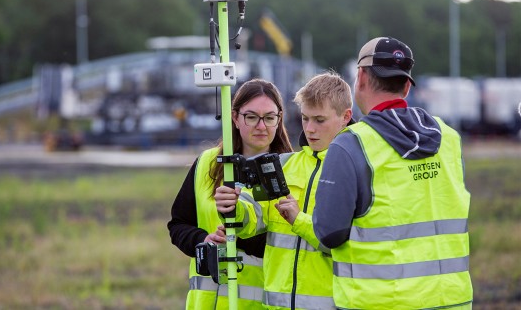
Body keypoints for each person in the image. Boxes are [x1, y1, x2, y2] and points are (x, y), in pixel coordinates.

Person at [312, 37, 473, 309]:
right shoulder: (449, 139)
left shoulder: (351, 144)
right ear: (407, 86)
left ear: (360, 78)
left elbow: (329, 233)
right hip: (452, 301)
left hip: (381, 303)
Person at [215, 71, 354, 309]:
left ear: (346, 117)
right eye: (304, 118)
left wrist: (298, 220)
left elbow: (347, 244)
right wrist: (234, 208)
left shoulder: (356, 169)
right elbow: (253, 216)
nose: (309, 129)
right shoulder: (284, 165)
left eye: (319, 120)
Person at [168, 78, 293, 309]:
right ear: (235, 118)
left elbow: (292, 247)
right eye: (252, 117)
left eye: (269, 117)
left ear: (280, 118)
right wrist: (203, 240)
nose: (261, 126)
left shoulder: (293, 171)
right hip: (206, 304)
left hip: (259, 304)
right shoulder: (207, 163)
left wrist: (240, 237)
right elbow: (178, 225)